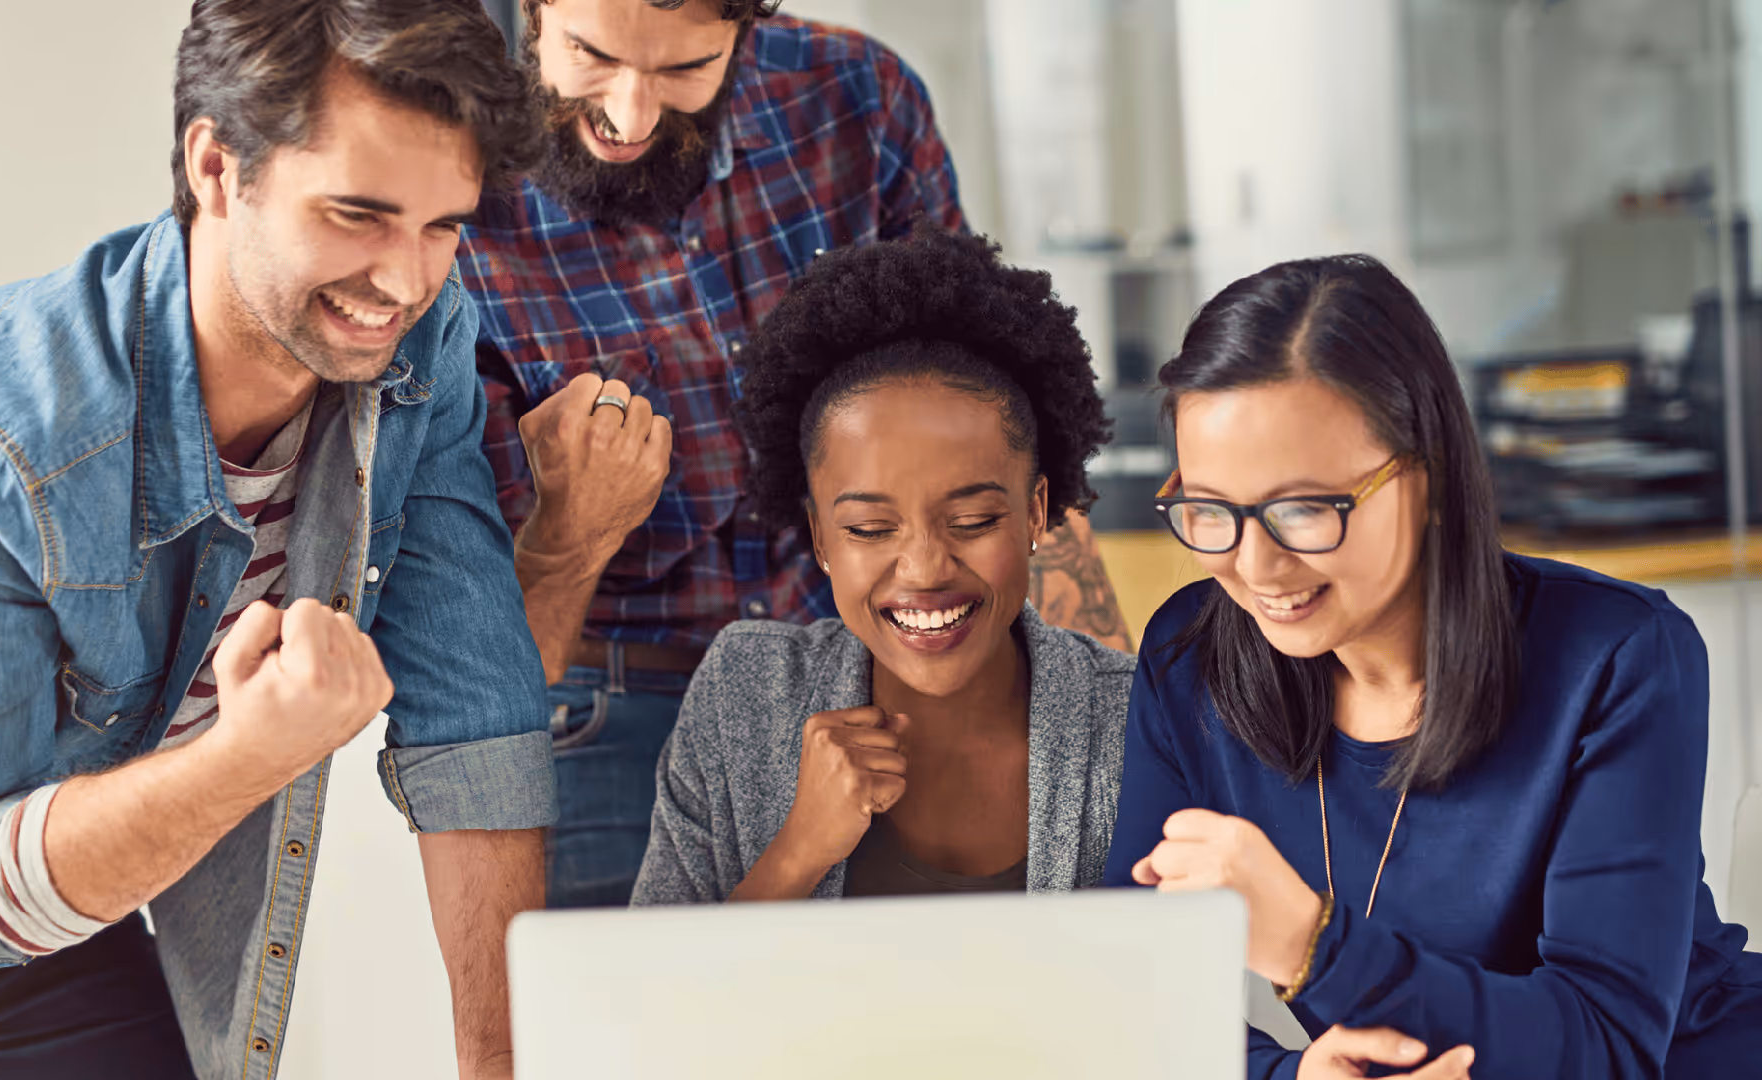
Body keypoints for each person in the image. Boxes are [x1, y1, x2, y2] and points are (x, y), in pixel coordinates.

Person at [0, 3, 551, 1078]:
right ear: (217, 165)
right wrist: (247, 759)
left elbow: (474, 722)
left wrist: (503, 1069)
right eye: (358, 214)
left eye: (443, 225)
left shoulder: (419, 343)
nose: (406, 280)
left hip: (62, 918)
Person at [460, 0, 1137, 910]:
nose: (631, 115)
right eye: (592, 55)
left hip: (876, 686)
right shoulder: (453, 187)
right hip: (606, 707)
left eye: (684, 70)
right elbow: (479, 657)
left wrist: (1091, 726)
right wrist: (572, 529)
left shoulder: (857, 99)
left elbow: (994, 399)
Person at [1102, 254, 1762, 1079]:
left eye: (1305, 509)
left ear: (1433, 478)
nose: (1255, 566)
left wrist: (1314, 949)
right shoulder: (1189, 659)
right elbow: (1131, 984)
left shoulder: (1619, 656)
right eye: (1209, 510)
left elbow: (1609, 1045)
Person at [630, 227, 1131, 904]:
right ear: (820, 537)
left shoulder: (1133, 716)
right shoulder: (746, 697)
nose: (924, 568)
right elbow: (659, 1004)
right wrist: (797, 853)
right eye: (869, 527)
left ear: (1037, 511)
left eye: (973, 521)